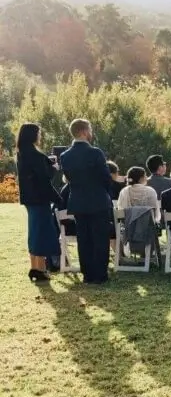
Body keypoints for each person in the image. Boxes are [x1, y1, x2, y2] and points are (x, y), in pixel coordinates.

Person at [60, 119, 113, 285]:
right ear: (84, 131)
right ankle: (100, 274)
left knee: (84, 239)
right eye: (90, 129)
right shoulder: (96, 153)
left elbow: (68, 179)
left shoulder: (65, 156)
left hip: (78, 201)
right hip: (97, 200)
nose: (91, 133)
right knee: (100, 238)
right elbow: (106, 177)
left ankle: (88, 274)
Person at [16, 123, 62, 282]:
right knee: (42, 231)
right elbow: (44, 178)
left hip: (29, 199)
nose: (40, 136)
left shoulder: (22, 153)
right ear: (33, 135)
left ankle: (34, 266)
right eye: (39, 133)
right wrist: (54, 168)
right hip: (40, 199)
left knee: (34, 231)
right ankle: (40, 269)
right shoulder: (35, 154)